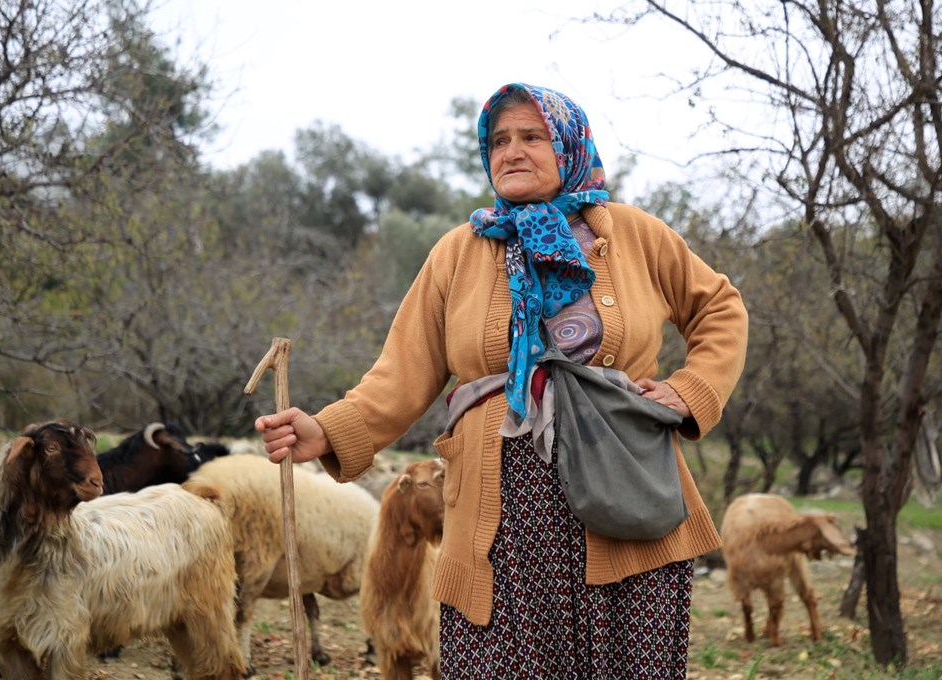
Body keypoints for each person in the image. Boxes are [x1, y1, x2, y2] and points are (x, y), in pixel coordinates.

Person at [256, 82, 748, 678]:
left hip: (624, 490)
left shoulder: (633, 233)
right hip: (501, 518)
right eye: (498, 140)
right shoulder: (458, 253)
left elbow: (720, 308)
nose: (511, 151)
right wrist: (327, 431)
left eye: (531, 137)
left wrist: (689, 390)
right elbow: (400, 374)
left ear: (567, 145)